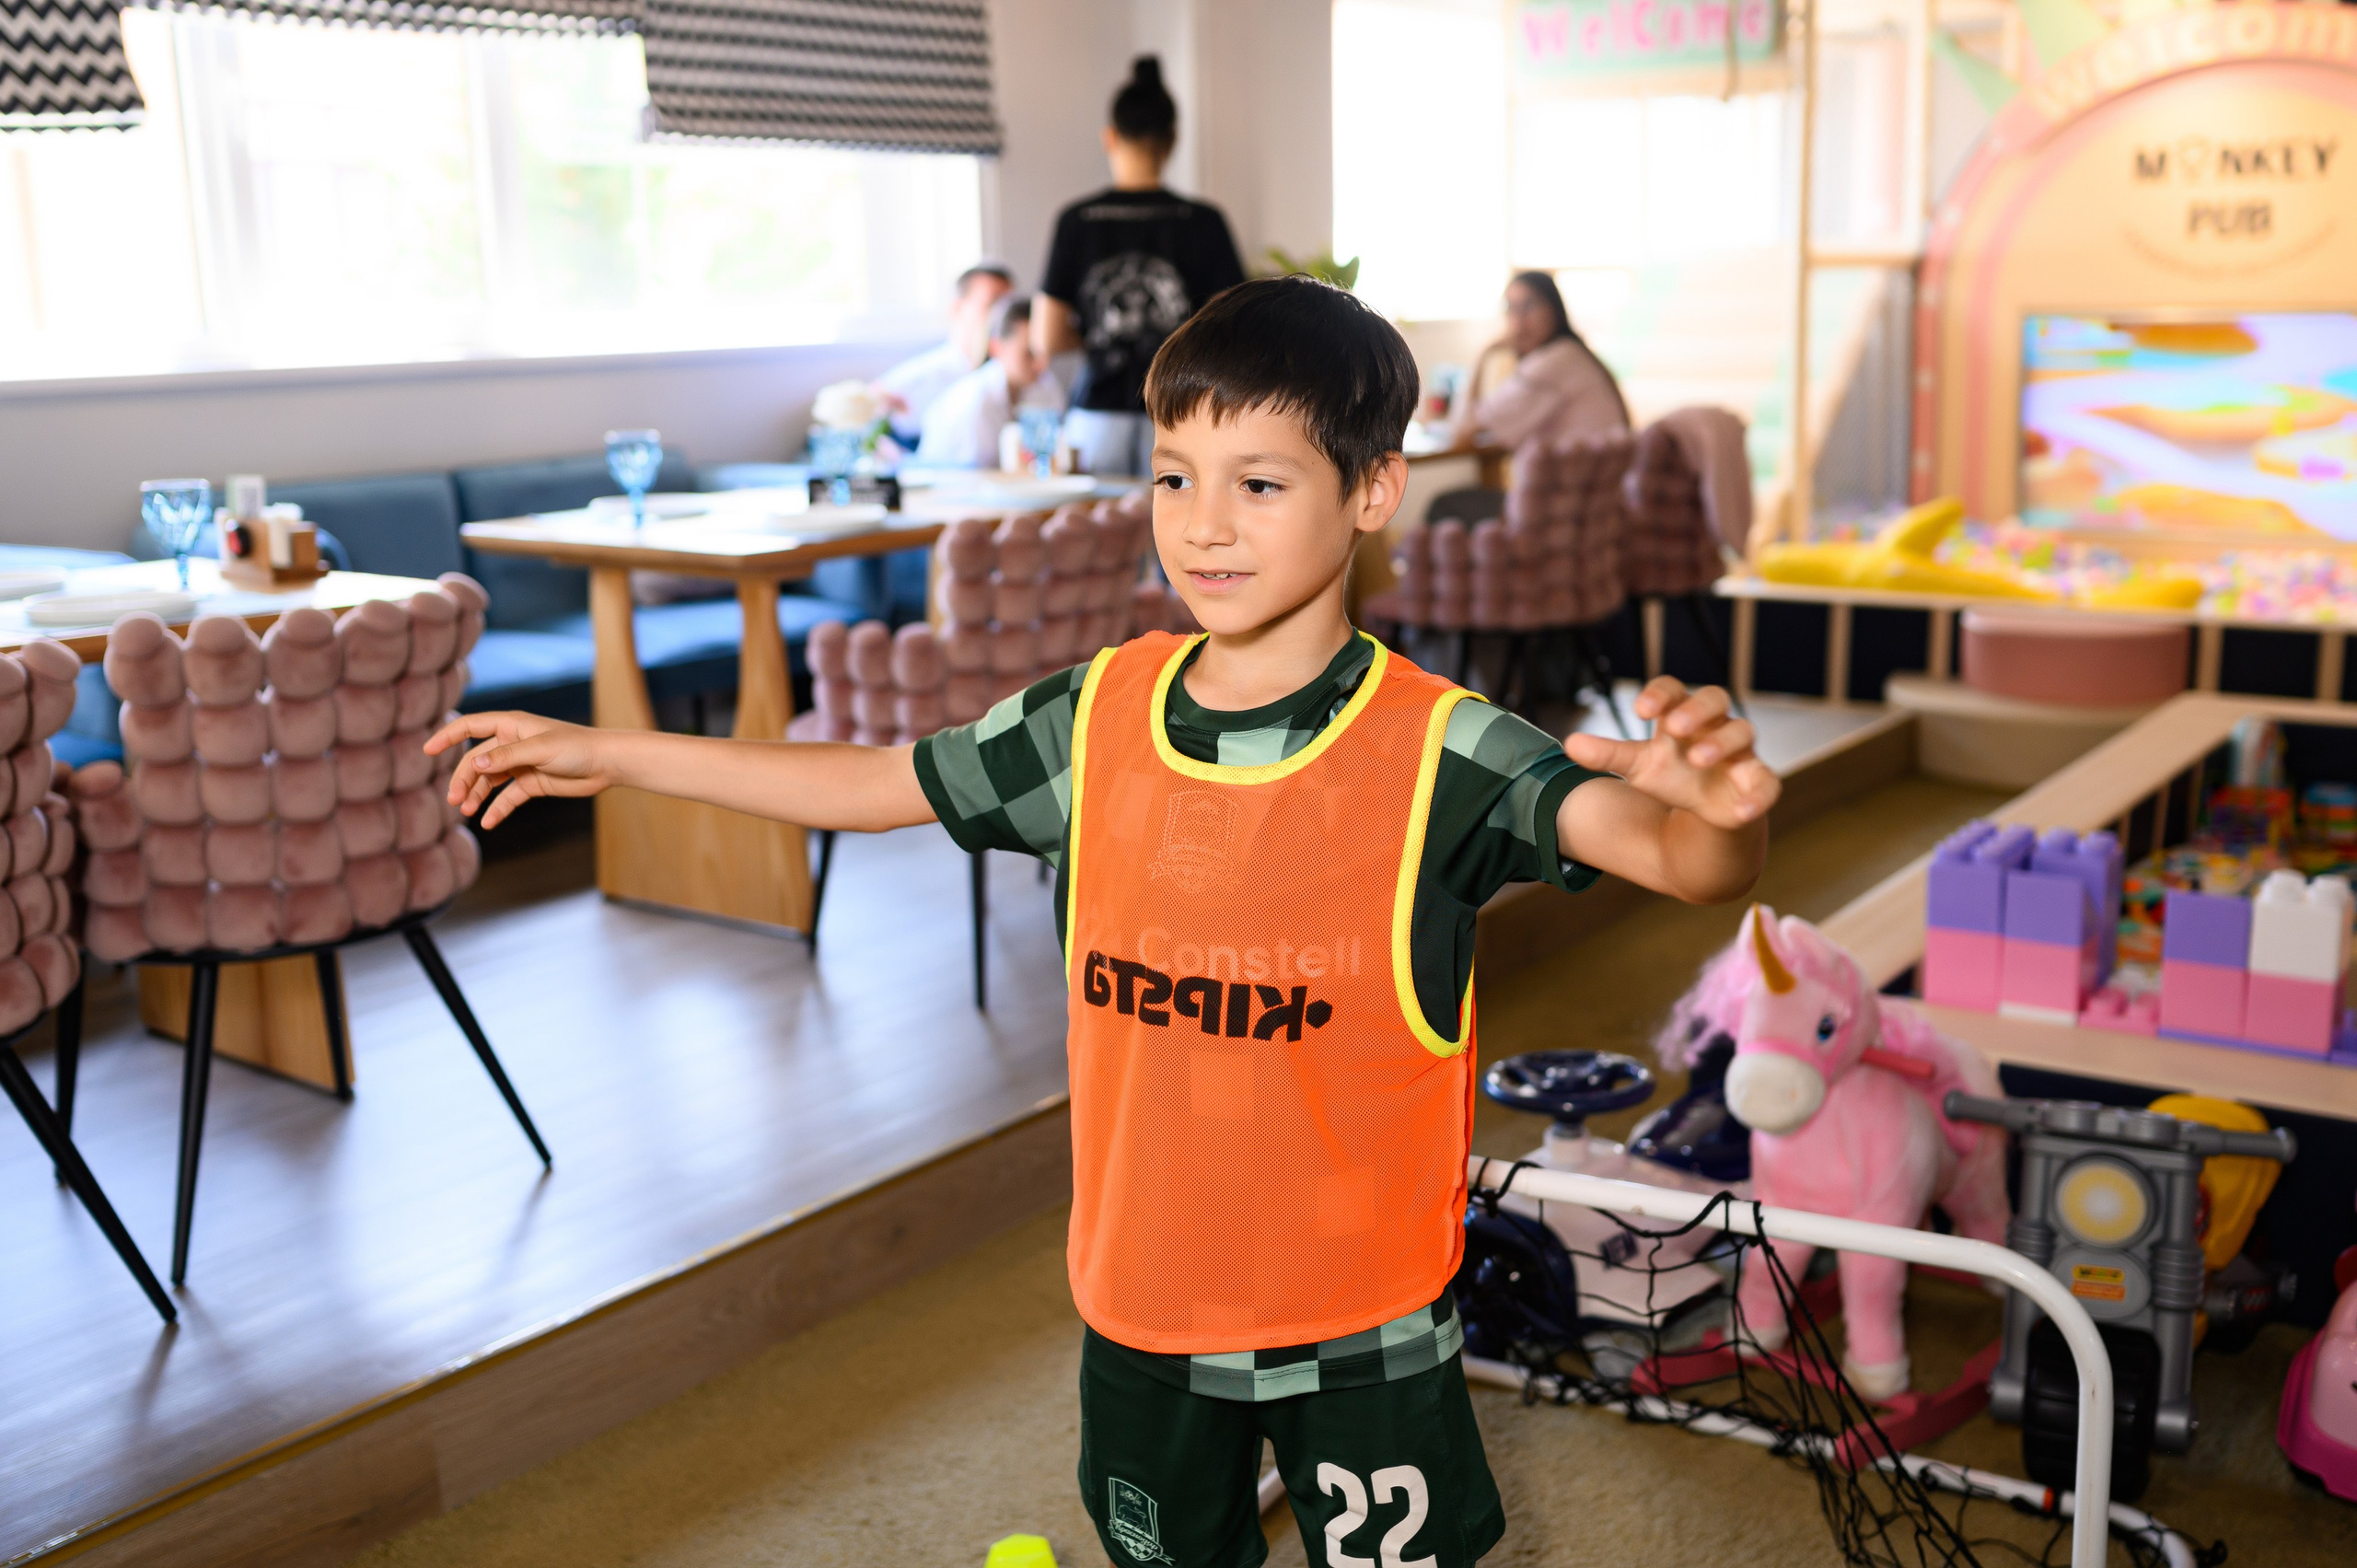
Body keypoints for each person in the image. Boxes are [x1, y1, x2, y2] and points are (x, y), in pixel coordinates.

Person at [428, 276, 1778, 1568]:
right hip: (1144, 1304)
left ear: (1372, 491)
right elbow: (869, 778)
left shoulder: (1446, 747)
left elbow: (1675, 853)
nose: (1202, 524)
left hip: (1362, 1313)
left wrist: (1720, 810)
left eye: (1259, 483)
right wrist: (621, 752)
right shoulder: (1098, 717)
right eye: (1174, 477)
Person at [1035, 55, 1246, 479]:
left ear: (1110, 137)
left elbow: (1047, 336)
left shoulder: (1077, 220)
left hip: (1097, 415)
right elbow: (1234, 331)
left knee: (1094, 541)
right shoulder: (1204, 222)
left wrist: (1102, 339)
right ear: (1171, 141)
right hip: (1181, 413)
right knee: (1174, 540)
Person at [1452, 269, 1631, 452]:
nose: (1519, 320)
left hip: (1580, 479)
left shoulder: (1553, 362)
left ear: (1554, 309)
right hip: (1593, 476)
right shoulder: (1570, 352)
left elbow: (1463, 433)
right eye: (1511, 308)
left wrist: (1483, 355)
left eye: (1529, 306)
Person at [915, 295, 1066, 470]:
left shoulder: (1045, 386)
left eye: (1046, 353)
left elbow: (1044, 460)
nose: (1042, 364)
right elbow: (984, 473)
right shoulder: (976, 399)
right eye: (1029, 353)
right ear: (997, 348)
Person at [876, 262, 1016, 446]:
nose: (1001, 318)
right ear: (957, 309)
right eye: (991, 305)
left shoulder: (1029, 374)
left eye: (1009, 309)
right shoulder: (918, 378)